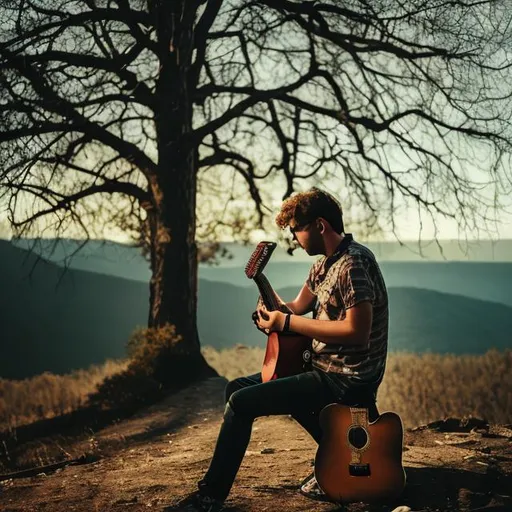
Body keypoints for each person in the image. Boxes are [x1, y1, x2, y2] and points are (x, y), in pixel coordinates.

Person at [176, 187, 389, 512]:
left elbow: (356, 332)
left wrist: (285, 325)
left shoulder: (353, 264)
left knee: (241, 402)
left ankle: (209, 498)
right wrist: (270, 311)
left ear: (319, 225)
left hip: (346, 380)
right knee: (238, 388)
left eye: (296, 231)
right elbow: (294, 309)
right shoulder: (323, 266)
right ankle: (338, 456)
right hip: (321, 369)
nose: (294, 239)